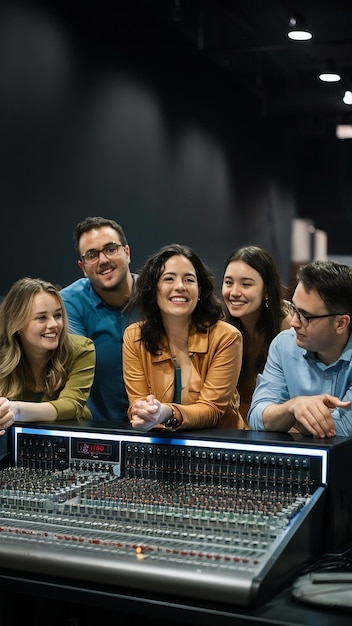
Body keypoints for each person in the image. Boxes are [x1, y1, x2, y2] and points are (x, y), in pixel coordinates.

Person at [122, 243, 245, 431]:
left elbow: (212, 410)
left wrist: (166, 413)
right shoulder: (134, 337)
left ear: (200, 290)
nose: (180, 287)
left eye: (189, 280)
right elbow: (138, 403)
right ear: (153, 290)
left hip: (217, 445)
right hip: (158, 447)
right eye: (169, 279)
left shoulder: (227, 338)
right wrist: (143, 412)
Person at [248, 260, 352, 438]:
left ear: (341, 323)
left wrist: (286, 415)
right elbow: (257, 415)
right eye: (294, 309)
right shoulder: (284, 345)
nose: (294, 322)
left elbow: (344, 429)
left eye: (306, 315)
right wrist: (293, 406)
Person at [60, 216, 139, 423]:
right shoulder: (68, 303)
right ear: (83, 267)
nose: (103, 260)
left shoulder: (157, 295)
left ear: (127, 253)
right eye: (92, 255)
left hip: (159, 429)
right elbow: (75, 364)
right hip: (96, 431)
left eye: (111, 249)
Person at [0, 277, 95, 424]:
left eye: (57, 315)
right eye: (41, 318)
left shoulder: (82, 349)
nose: (53, 324)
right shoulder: (2, 352)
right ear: (16, 322)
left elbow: (71, 405)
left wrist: (16, 410)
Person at [222, 246, 291, 422]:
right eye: (229, 282)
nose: (234, 292)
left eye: (246, 284)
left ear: (267, 290)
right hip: (233, 430)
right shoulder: (220, 326)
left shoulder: (289, 328)